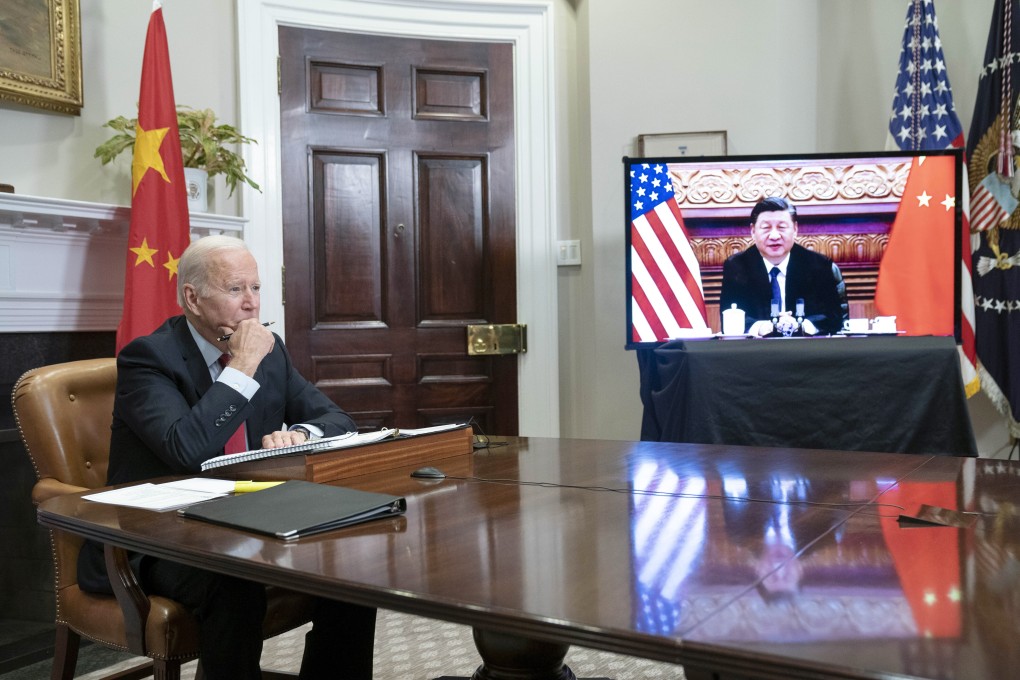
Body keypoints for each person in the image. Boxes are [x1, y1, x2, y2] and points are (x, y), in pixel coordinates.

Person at [77, 235, 376, 680]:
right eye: (236, 290)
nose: (251, 304)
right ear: (192, 298)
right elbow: (187, 450)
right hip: (159, 537)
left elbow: (338, 420)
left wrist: (299, 433)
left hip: (251, 517)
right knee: (233, 580)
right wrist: (241, 368)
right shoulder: (149, 360)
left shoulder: (270, 356)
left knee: (351, 562)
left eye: (256, 288)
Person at [719, 196, 848, 336]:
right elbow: (730, 316)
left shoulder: (818, 266)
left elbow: (833, 317)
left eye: (781, 227)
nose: (774, 236)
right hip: (756, 353)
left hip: (809, 352)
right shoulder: (737, 267)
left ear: (795, 229)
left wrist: (801, 325)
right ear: (752, 231)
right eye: (766, 228)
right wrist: (762, 327)